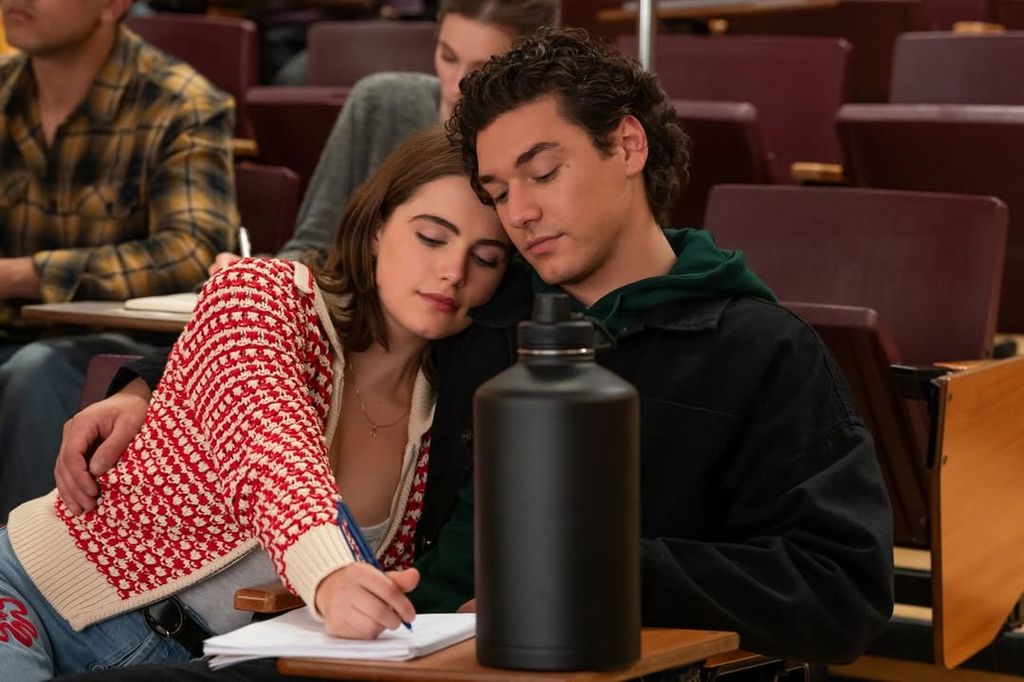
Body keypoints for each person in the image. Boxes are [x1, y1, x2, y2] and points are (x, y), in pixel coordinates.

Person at [55, 26, 894, 680]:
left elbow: (841, 589)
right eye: (498, 191)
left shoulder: (760, 349)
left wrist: (601, 569)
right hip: (377, 652)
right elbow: (325, 339)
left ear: (628, 147)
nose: (517, 214)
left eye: (543, 171)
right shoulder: (493, 306)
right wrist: (146, 390)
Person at [0, 126, 510, 680]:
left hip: (196, 664)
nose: (454, 272)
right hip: (31, 597)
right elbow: (268, 449)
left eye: (485, 258)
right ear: (376, 230)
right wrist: (332, 574)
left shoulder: (446, 413)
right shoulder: (259, 292)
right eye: (431, 238)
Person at [0, 0, 236, 520]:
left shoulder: (180, 101)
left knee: (36, 372)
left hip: (124, 348)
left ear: (113, 5)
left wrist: (23, 275)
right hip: (10, 338)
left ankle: (20, 585)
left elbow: (192, 250)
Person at [208, 0, 558, 274]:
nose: (455, 86)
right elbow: (315, 244)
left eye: (481, 72)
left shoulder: (535, 150)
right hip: (351, 323)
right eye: (447, 56)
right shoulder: (379, 102)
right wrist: (265, 274)